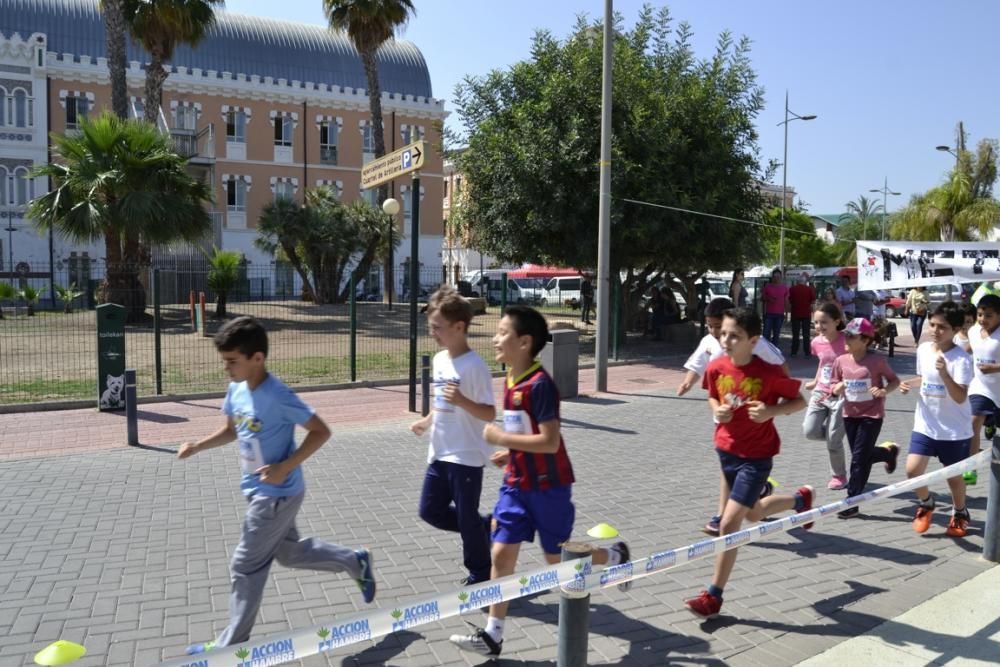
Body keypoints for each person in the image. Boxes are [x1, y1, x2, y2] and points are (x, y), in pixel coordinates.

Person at [178, 316, 376, 654]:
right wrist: (198, 445)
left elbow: (321, 431)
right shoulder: (236, 389)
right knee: (288, 553)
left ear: (258, 358)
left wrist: (285, 466)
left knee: (245, 564)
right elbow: (232, 430)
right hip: (259, 490)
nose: (227, 369)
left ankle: (230, 648)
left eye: (232, 362)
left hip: (276, 495)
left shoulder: (279, 395)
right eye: (224, 362)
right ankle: (354, 561)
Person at [450, 306, 631, 657]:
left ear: (524, 342)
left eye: (502, 332)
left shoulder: (540, 385)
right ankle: (493, 634)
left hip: (550, 487)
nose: (494, 339)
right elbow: (525, 433)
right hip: (516, 485)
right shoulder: (510, 380)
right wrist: (511, 452)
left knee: (557, 561)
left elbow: (549, 441)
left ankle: (613, 554)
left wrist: (501, 438)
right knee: (501, 555)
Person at [683, 307, 813, 619]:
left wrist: (771, 412)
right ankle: (799, 499)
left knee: (729, 524)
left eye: (734, 336)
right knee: (753, 513)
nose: (725, 339)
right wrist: (719, 412)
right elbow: (713, 397)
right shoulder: (716, 367)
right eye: (723, 333)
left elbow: (799, 400)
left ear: (753, 340)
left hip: (756, 459)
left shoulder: (767, 373)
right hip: (726, 452)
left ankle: (713, 596)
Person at [676, 297, 787, 536]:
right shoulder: (708, 342)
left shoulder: (754, 343)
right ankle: (740, 503)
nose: (716, 332)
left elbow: (781, 367)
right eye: (711, 326)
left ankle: (722, 517)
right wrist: (687, 383)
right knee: (730, 472)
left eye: (719, 326)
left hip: (753, 422)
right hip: (724, 419)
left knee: (738, 479)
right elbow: (698, 365)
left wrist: (770, 406)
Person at [409, 287, 496, 586]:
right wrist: (427, 420)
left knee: (465, 515)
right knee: (429, 511)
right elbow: (441, 401)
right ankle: (486, 526)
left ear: (459, 327)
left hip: (467, 455)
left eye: (437, 327)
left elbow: (488, 413)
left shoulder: (475, 366)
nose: (432, 333)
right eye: (430, 327)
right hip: (440, 451)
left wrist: (462, 401)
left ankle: (481, 572)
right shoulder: (438, 360)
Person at [898, 303, 974, 537]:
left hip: (953, 429)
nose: (935, 330)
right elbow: (924, 378)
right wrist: (908, 384)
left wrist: (945, 373)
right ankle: (927, 503)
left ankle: (960, 512)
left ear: (956, 329)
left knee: (953, 476)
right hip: (925, 424)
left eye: (943, 327)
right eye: (932, 324)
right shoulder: (923, 349)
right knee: (912, 471)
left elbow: (960, 397)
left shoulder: (961, 359)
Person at [829, 318, 901, 518]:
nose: (847, 338)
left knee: (859, 459)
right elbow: (832, 388)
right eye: (846, 334)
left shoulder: (876, 361)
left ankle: (851, 501)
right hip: (850, 415)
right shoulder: (841, 360)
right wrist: (838, 387)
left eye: (851, 336)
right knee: (863, 456)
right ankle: (887, 453)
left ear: (866, 340)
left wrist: (883, 391)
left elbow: (894, 381)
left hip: (872, 414)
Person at [803, 302, 850, 490]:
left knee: (833, 439)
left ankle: (839, 476)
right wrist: (815, 382)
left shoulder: (847, 340)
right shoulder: (816, 342)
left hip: (842, 394)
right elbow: (824, 364)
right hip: (821, 391)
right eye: (816, 322)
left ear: (837, 321)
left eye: (824, 322)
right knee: (810, 431)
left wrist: (844, 384)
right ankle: (836, 441)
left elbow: (858, 364)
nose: (819, 327)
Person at [963, 294, 1000, 486]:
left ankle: (991, 421)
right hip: (981, 387)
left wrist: (995, 368)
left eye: (989, 316)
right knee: (973, 421)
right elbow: (972, 347)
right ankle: (971, 467)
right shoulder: (974, 331)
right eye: (979, 314)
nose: (983, 319)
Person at [788, 274, 816, 357]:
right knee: (806, 334)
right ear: (805, 281)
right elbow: (813, 299)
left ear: (797, 281)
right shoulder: (809, 289)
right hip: (806, 313)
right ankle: (807, 352)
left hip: (795, 312)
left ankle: (794, 352)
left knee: (795, 334)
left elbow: (790, 299)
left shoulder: (792, 289)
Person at [761, 268, 789, 348]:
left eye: (778, 277)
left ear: (781, 277)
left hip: (779, 314)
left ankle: (774, 351)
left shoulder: (785, 288)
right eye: (775, 276)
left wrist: (786, 314)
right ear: (772, 277)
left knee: (776, 334)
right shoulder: (767, 287)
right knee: (766, 333)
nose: (776, 278)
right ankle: (764, 350)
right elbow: (762, 298)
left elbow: (786, 301)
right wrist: (768, 298)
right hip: (769, 314)